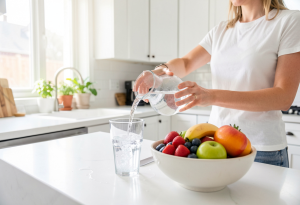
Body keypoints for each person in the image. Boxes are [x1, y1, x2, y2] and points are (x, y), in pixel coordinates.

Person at [135, 0, 300, 167]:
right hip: (215, 144)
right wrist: (156, 73)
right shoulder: (222, 30)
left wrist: (211, 96)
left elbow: (283, 97)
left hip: (262, 150)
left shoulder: (289, 21)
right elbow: (185, 63)